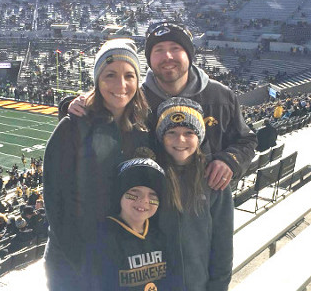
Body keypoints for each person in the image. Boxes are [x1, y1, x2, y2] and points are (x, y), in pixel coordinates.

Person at [63, 20, 257, 191]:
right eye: (158, 50)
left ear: (189, 54)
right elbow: (102, 115)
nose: (167, 56)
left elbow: (247, 140)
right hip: (150, 207)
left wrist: (230, 161)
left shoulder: (220, 95)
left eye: (175, 48)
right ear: (149, 59)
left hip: (208, 204)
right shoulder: (135, 98)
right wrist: (72, 105)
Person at [43, 38, 154, 290]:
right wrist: (77, 256)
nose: (121, 85)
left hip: (122, 253)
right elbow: (54, 199)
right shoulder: (71, 127)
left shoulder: (142, 130)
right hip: (73, 257)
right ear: (96, 80)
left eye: (129, 75)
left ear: (138, 81)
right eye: (110, 75)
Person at [156, 97, 234, 291]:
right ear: (160, 137)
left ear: (199, 137)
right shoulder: (150, 175)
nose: (180, 140)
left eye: (188, 133)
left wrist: (218, 286)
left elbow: (223, 243)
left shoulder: (214, 179)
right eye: (171, 132)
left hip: (197, 284)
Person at [82, 158, 167, 290]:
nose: (144, 200)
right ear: (119, 194)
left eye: (153, 195)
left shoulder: (160, 235)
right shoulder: (102, 236)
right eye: (134, 192)